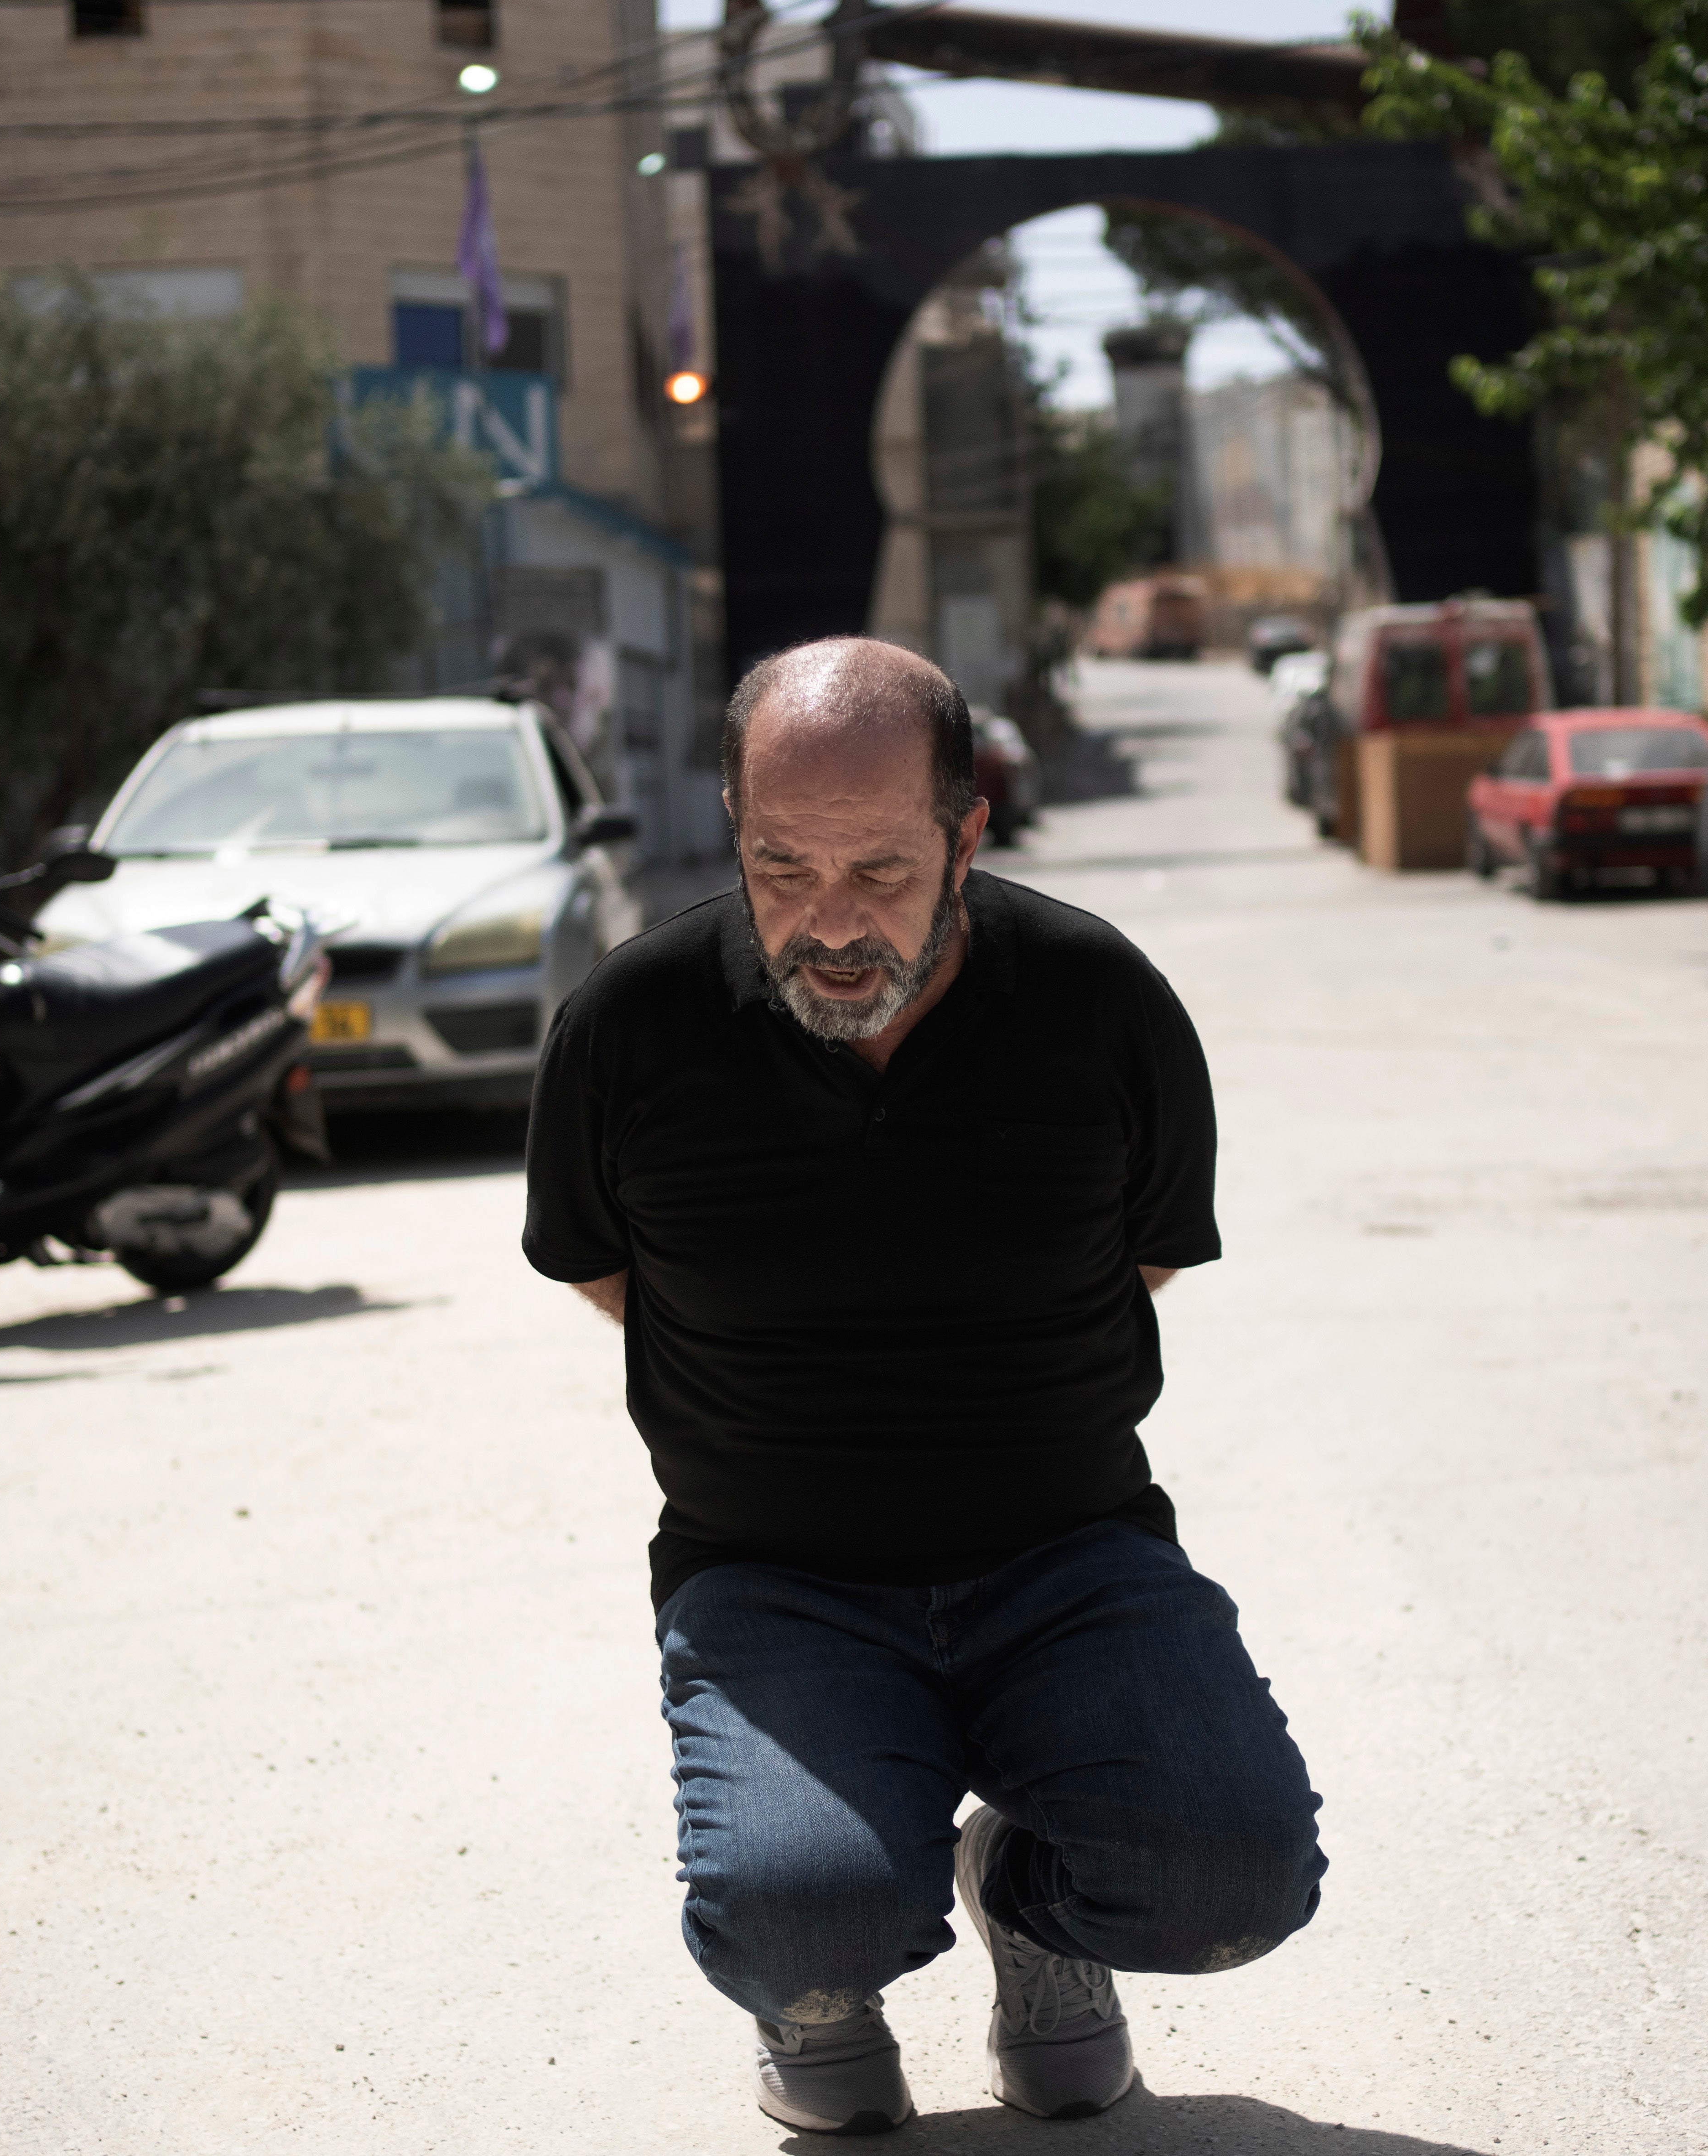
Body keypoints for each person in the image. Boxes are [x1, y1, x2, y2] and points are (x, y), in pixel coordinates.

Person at [520, 637, 1324, 2135]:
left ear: (968, 836)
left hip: (1071, 1562)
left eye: (881, 875)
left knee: (1237, 1879)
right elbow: (604, 1275)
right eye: (781, 867)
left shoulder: (1100, 1004)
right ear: (731, 823)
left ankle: (1031, 1907)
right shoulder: (628, 1030)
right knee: (798, 1915)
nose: (830, 925)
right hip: (773, 1585)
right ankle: (820, 1984)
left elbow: (1139, 1262)